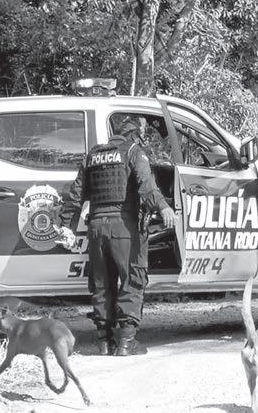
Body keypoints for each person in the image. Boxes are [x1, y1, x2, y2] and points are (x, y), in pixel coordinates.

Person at [57, 115, 175, 356]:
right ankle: (126, 342)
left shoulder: (93, 155)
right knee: (132, 280)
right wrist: (163, 207)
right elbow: (146, 186)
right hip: (124, 226)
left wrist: (67, 225)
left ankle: (104, 341)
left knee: (101, 283)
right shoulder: (133, 152)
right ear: (134, 135)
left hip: (96, 228)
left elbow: (76, 194)